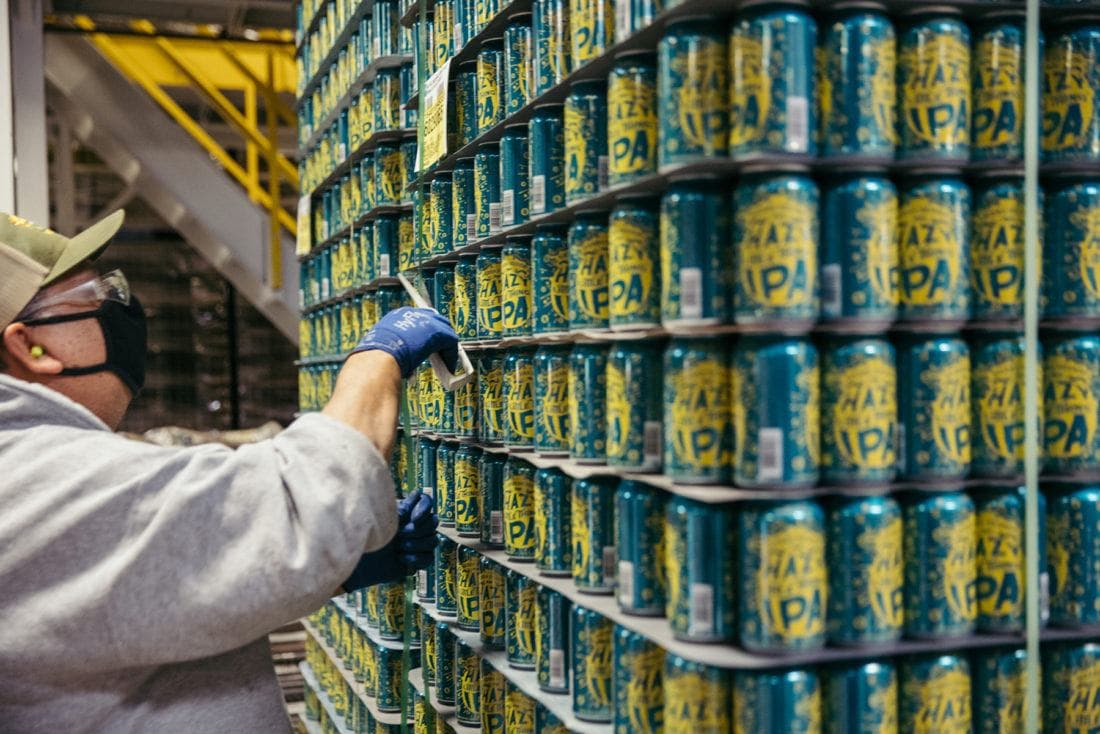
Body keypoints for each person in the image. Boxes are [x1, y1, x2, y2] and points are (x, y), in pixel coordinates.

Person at [0, 211, 459, 732]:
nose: (119, 310)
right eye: (94, 297)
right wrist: (379, 357)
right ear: (29, 348)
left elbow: (123, 609)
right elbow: (308, 500)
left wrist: (334, 572)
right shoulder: (34, 480)